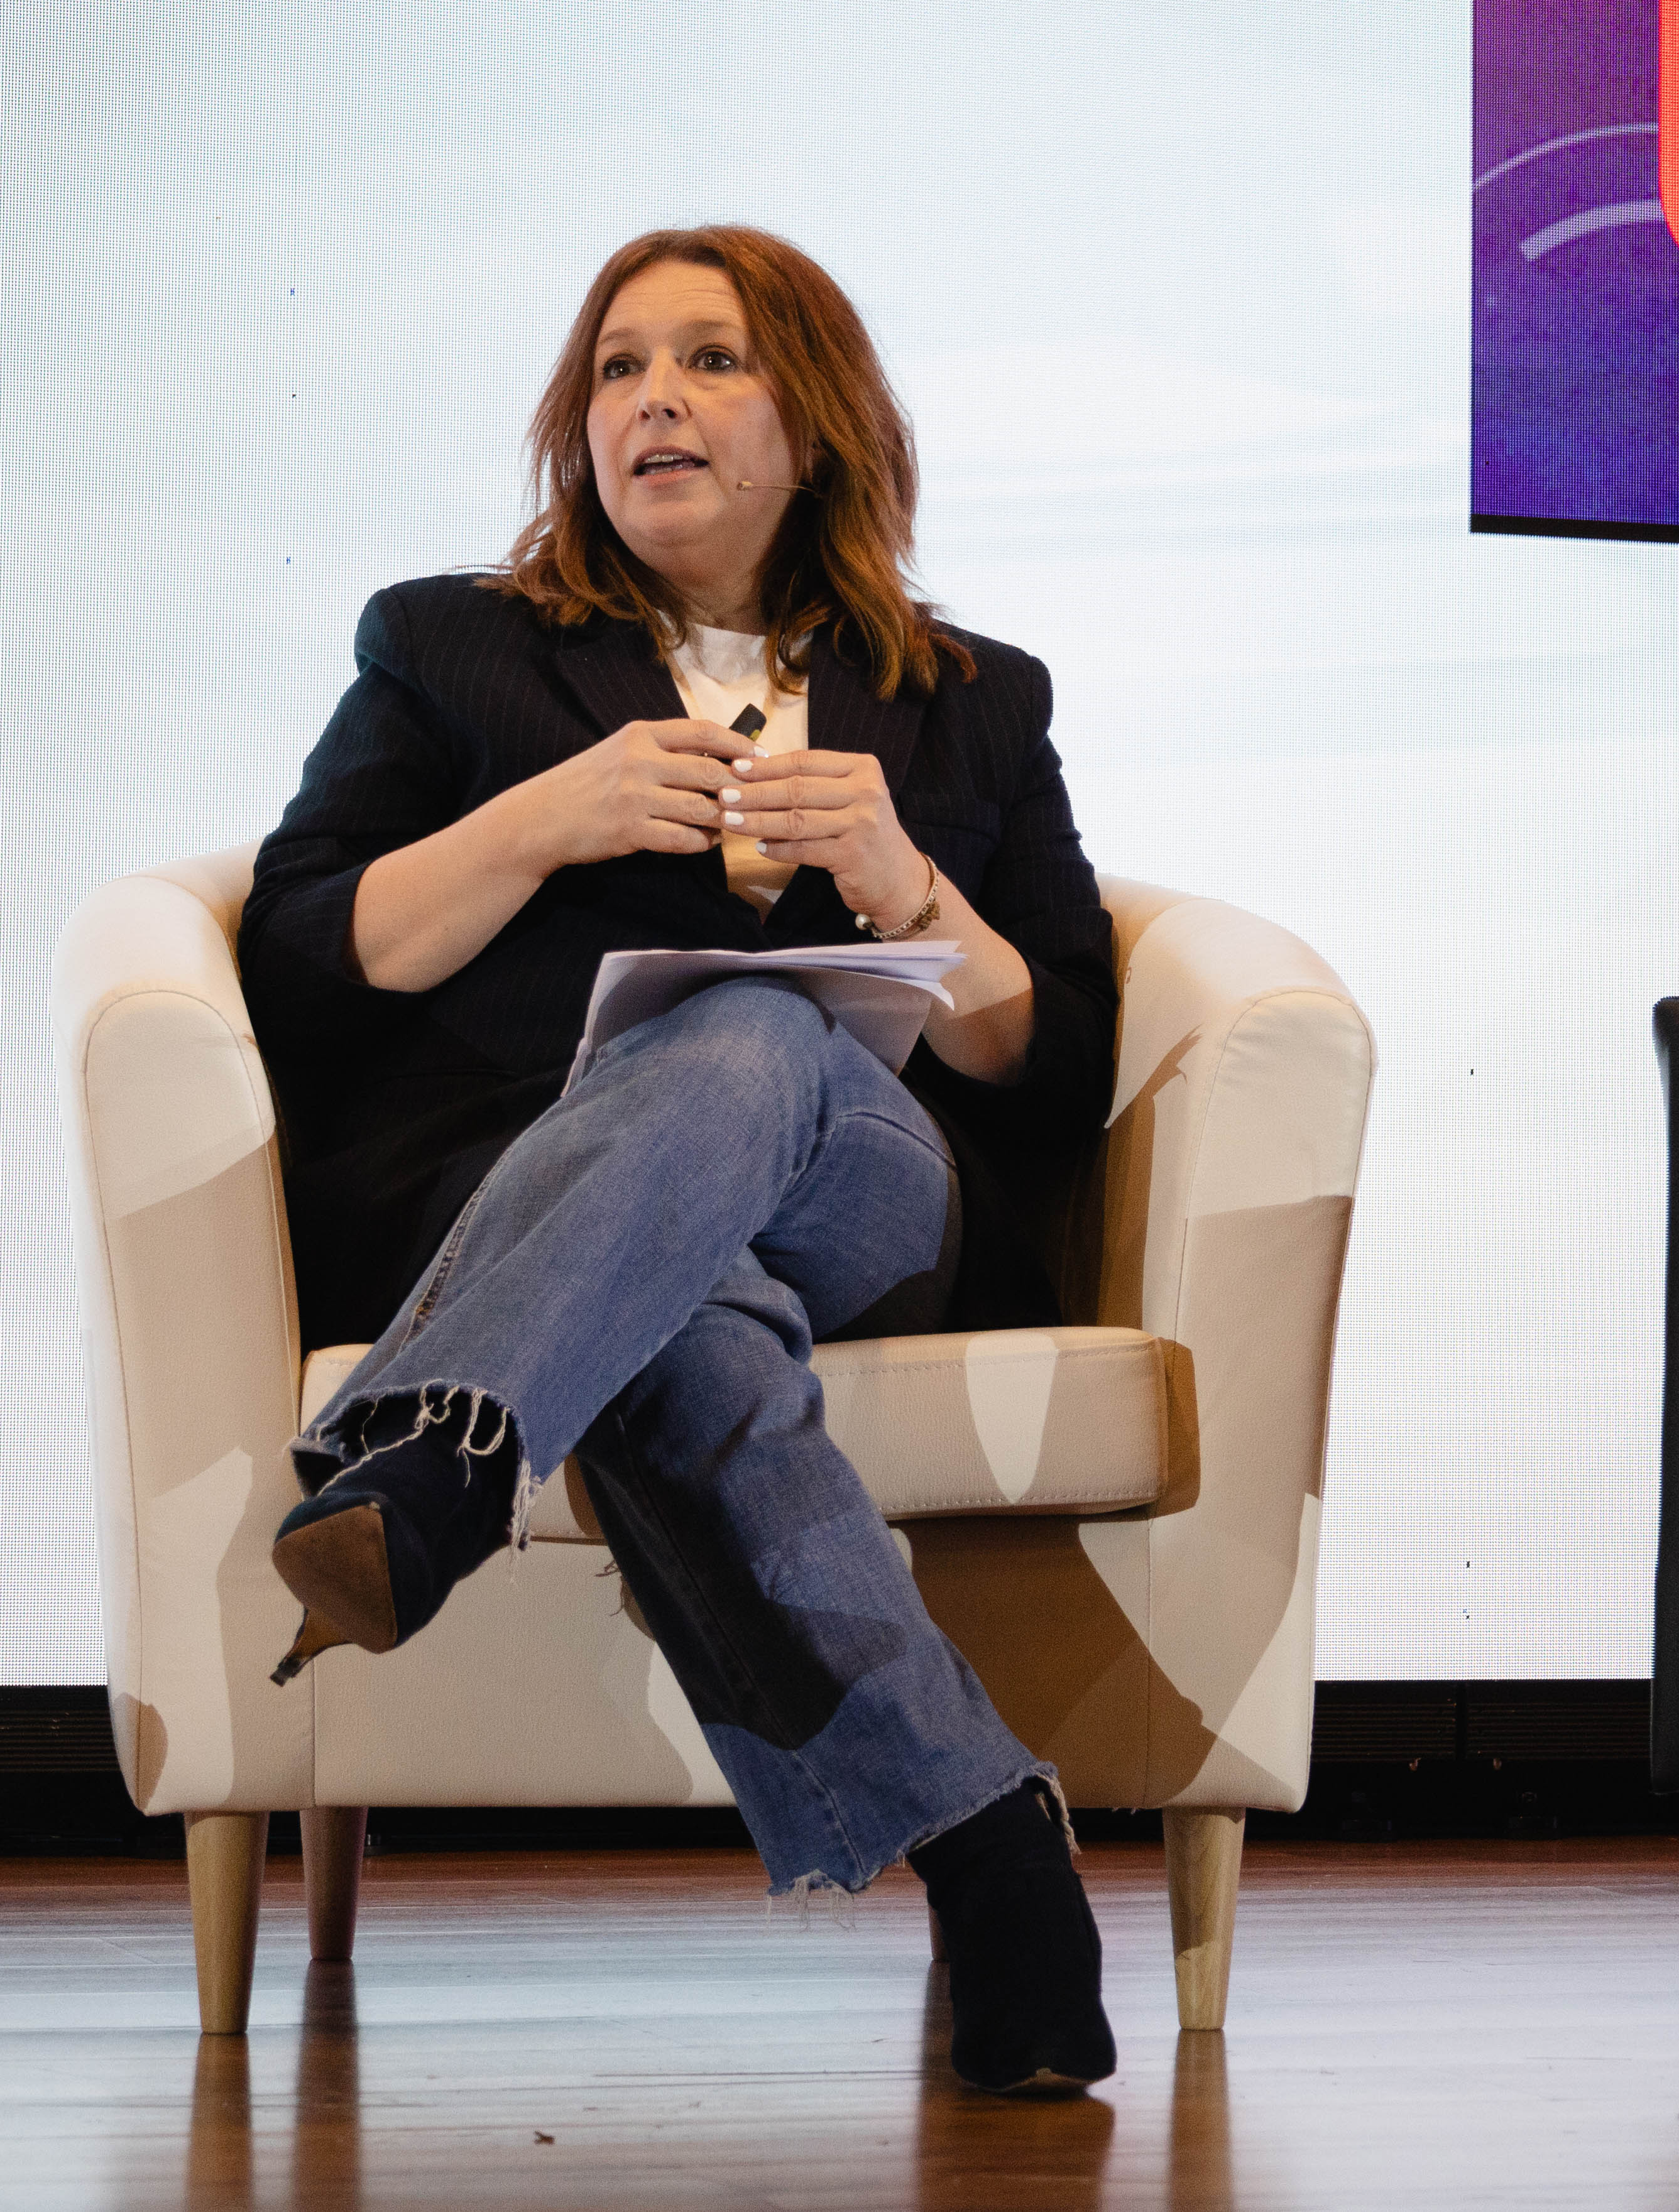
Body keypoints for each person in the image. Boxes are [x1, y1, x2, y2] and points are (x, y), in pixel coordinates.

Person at [238, 225, 1122, 2095]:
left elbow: (1054, 1066)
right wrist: (533, 825)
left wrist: (908, 885)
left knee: (747, 1028)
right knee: (684, 1331)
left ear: (816, 417)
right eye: (619, 365)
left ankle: (440, 1451)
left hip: (868, 1192)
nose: (652, 396)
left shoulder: (973, 695)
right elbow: (304, 962)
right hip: (520, 1177)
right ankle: (984, 1840)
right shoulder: (449, 646)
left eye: (710, 359)